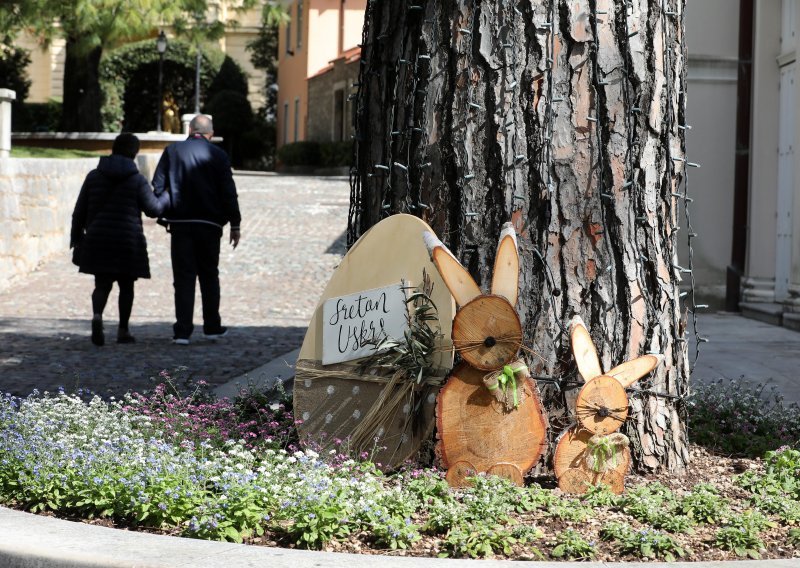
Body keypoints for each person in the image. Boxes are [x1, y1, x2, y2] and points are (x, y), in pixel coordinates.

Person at [70, 133, 169, 346]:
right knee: (127, 286)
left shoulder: (94, 176)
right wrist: (168, 194)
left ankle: (97, 315)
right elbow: (154, 209)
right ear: (134, 153)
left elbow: (79, 211)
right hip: (127, 240)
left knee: (102, 283)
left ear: (113, 149)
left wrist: (76, 239)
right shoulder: (137, 180)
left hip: (98, 239)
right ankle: (123, 330)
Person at [152, 114, 241, 345]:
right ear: (210, 134)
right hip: (210, 225)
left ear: (189, 130)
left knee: (183, 277)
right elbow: (228, 191)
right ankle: (212, 326)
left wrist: (166, 210)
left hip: (180, 224)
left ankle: (182, 331)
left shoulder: (172, 152)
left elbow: (158, 185)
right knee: (209, 275)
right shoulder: (218, 155)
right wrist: (235, 223)